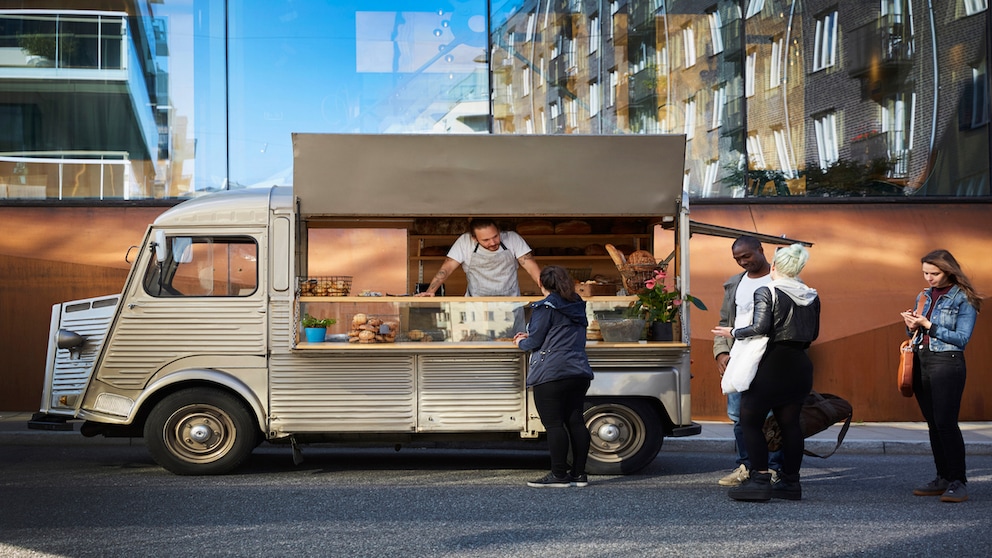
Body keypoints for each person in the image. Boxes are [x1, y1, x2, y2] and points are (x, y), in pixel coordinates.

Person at [712, 244, 820, 502]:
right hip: (800, 365)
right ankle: (791, 483)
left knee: (750, 421)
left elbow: (760, 327)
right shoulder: (810, 294)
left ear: (773, 267)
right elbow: (812, 335)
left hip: (771, 364)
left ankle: (760, 480)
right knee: (790, 425)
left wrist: (733, 333)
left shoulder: (767, 290)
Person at [901, 249, 981, 504]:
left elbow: (962, 338)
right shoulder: (923, 295)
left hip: (948, 362)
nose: (929, 278)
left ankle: (959, 481)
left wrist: (929, 326)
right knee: (933, 423)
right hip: (922, 359)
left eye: (934, 273)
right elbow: (917, 328)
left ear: (949, 271)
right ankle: (943, 477)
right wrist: (912, 324)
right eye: (925, 273)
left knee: (946, 422)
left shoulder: (963, 298)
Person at [513, 265, 594, 488]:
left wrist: (521, 341)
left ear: (541, 284)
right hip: (578, 370)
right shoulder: (577, 304)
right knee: (576, 421)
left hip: (552, 372)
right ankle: (579, 475)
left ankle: (559, 475)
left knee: (554, 424)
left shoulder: (545, 307)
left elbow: (534, 342)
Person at [712, 236, 783, 487]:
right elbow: (724, 321)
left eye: (747, 256)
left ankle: (773, 469)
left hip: (770, 358)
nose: (743, 262)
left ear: (760, 250)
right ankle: (746, 466)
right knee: (738, 416)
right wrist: (721, 353)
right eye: (738, 259)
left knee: (771, 416)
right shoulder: (735, 284)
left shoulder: (781, 280)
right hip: (739, 358)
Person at [415, 218, 542, 297]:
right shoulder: (464, 242)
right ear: (474, 239)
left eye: (495, 236)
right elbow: (447, 268)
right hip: (477, 308)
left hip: (510, 306)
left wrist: (546, 289)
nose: (492, 242)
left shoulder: (512, 238)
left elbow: (531, 267)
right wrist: (431, 290)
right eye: (486, 240)